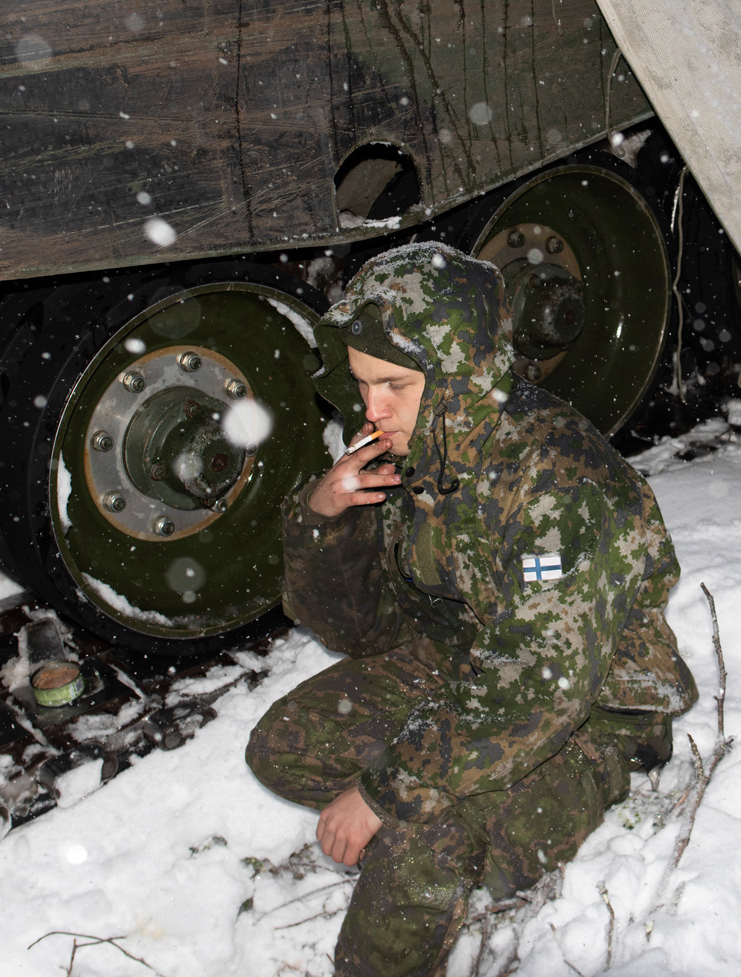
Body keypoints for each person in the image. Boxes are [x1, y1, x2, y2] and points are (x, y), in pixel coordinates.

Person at [246, 241, 697, 977]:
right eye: (362, 384)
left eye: (393, 383)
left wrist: (388, 786)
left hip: (588, 716)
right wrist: (325, 519)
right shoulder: (418, 449)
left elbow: (542, 681)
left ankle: (452, 850)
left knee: (412, 837)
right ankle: (450, 813)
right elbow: (367, 630)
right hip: (464, 664)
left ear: (457, 375)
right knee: (282, 743)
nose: (371, 409)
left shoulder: (561, 482)